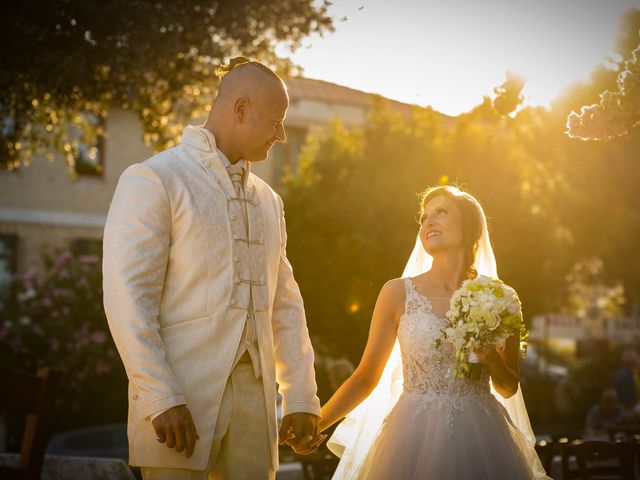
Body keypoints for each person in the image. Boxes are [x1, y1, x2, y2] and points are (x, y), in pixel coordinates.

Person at [103, 58, 320, 480]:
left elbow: (286, 307)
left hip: (255, 410)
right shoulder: (155, 178)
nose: (280, 135)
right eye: (276, 122)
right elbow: (128, 297)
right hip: (178, 407)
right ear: (240, 110)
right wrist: (160, 396)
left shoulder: (269, 200)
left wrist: (300, 397)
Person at [300, 185, 548, 479]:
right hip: (411, 435)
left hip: (482, 436)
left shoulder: (500, 298)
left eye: (441, 212)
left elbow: (509, 386)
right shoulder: (397, 293)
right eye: (423, 217)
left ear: (469, 225)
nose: (428, 222)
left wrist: (491, 359)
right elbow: (366, 377)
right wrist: (315, 425)